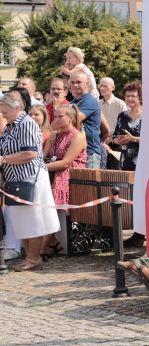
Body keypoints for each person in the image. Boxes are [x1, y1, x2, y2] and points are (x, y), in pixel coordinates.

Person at [0, 92, 60, 271]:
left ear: (17, 108)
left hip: (29, 178)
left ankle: (33, 258)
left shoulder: (26, 124)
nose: (3, 116)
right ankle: (29, 257)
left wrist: (4, 160)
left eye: (5, 112)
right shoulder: (9, 127)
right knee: (21, 221)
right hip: (14, 178)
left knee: (33, 220)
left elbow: (30, 153)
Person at [39, 104, 86, 259]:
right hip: (52, 172)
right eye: (56, 116)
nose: (56, 119)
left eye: (61, 116)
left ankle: (43, 249)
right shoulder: (54, 136)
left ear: (71, 118)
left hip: (70, 175)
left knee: (50, 208)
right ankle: (53, 242)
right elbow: (43, 157)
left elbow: (66, 163)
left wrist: (40, 168)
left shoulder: (78, 136)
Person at [67, 70, 109, 169]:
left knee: (89, 184)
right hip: (75, 152)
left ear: (87, 83)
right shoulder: (72, 103)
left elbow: (69, 121)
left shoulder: (90, 101)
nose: (75, 85)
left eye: (78, 82)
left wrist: (98, 142)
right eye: (72, 82)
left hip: (89, 153)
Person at [98, 77, 128, 169]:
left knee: (114, 174)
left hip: (115, 144)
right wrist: (103, 143)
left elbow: (123, 126)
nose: (102, 88)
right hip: (101, 143)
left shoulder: (120, 104)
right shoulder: (97, 104)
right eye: (101, 86)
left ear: (113, 87)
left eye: (105, 86)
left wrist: (110, 140)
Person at [112, 82, 142, 171]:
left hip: (142, 160)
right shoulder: (122, 116)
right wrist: (118, 141)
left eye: (133, 96)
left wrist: (133, 139)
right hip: (125, 161)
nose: (129, 98)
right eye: (127, 96)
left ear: (140, 97)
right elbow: (114, 137)